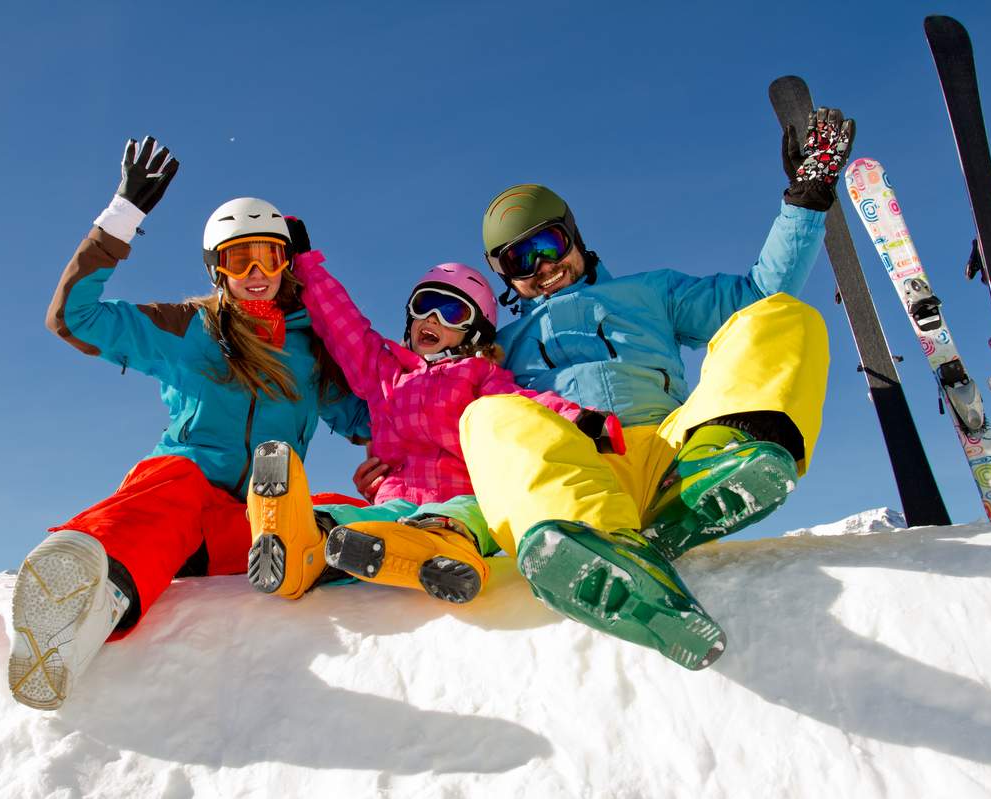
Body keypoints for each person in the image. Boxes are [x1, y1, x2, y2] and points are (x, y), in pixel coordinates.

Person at [358, 108, 853, 670]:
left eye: (548, 244)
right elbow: (413, 403)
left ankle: (719, 471)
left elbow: (760, 292)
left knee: (780, 315)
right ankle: (599, 546)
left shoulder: (652, 293)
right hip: (583, 472)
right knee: (486, 416)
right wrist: (393, 462)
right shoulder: (503, 347)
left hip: (677, 453)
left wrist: (805, 202)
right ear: (503, 275)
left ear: (574, 235)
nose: (542, 267)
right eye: (519, 261)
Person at [7, 137, 370, 710]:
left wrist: (414, 441)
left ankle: (338, 547)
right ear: (215, 269)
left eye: (268, 257)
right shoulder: (188, 327)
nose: (255, 272)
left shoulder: (311, 352)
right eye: (237, 259)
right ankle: (87, 596)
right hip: (182, 503)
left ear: (287, 265)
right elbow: (73, 318)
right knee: (171, 487)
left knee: (334, 507)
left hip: (254, 525)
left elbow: (368, 419)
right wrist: (121, 217)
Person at [245, 230, 624, 605]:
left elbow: (523, 407)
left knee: (465, 514)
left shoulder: (478, 376)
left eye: (452, 312)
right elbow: (345, 327)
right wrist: (308, 266)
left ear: (472, 333)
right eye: (425, 304)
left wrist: (581, 422)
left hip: (461, 496)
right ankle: (300, 541)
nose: (433, 318)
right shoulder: (388, 374)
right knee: (358, 517)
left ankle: (443, 551)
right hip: (397, 498)